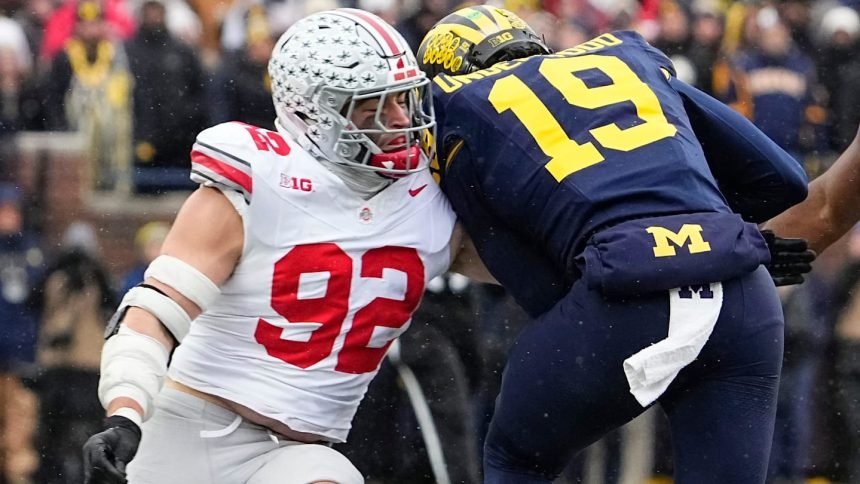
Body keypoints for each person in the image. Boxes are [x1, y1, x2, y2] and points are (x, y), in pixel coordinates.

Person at [81, 8, 490, 484]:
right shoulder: (260, 180)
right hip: (188, 430)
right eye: (374, 106)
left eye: (403, 99)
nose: (400, 120)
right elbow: (154, 311)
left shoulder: (432, 200)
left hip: (300, 453)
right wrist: (125, 412)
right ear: (315, 112)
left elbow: (539, 273)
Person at [416, 5, 810, 482]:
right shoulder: (624, 57)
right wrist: (697, 230)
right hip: (741, 288)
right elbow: (784, 179)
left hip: (624, 291)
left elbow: (540, 290)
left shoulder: (457, 108)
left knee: (515, 456)